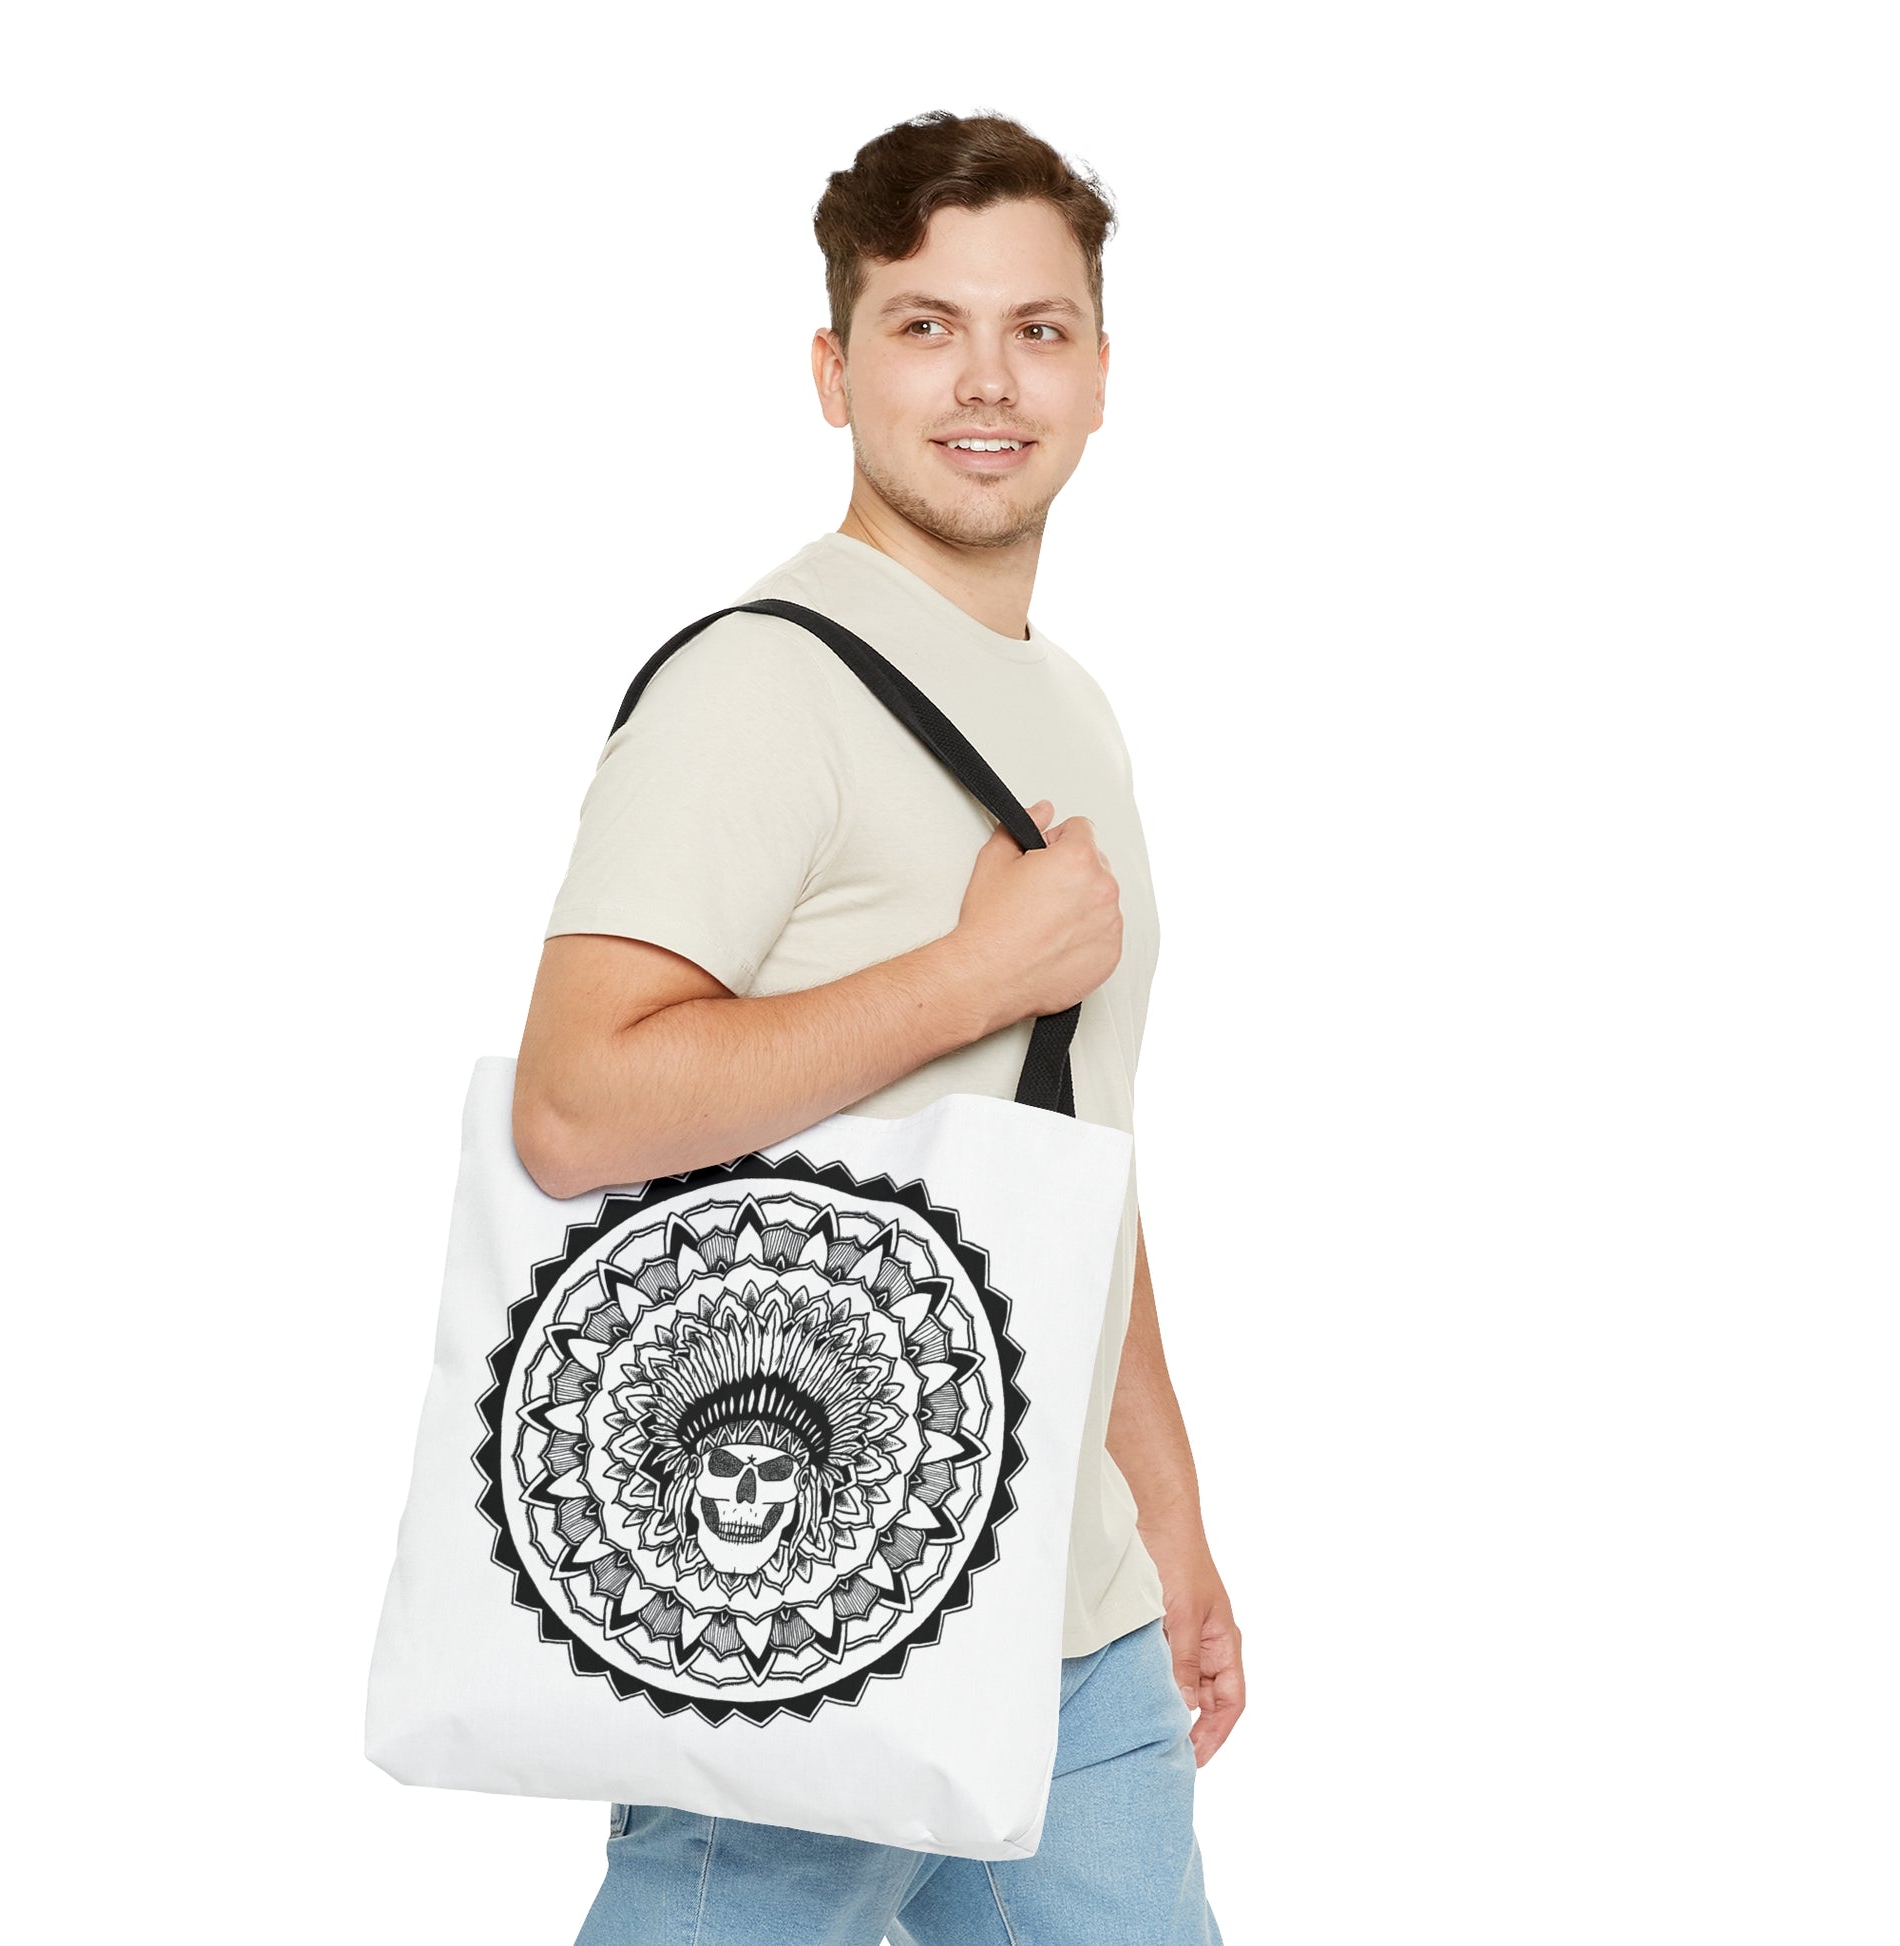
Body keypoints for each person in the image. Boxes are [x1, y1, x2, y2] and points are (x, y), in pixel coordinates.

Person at [514, 107, 1239, 1946]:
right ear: (833, 372)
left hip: (1070, 1631)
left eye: (1037, 328)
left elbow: (1070, 1138)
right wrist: (964, 974)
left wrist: (1166, 1521)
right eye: (925, 326)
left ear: (1096, 373)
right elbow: (576, 1106)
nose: (986, 380)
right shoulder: (757, 683)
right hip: (811, 1614)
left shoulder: (1067, 704)